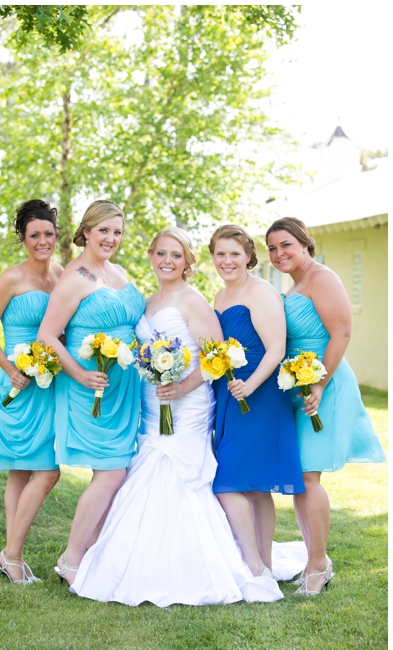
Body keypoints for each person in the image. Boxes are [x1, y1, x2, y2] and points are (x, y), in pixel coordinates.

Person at [71, 227, 283, 605]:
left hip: (189, 404)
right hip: (153, 403)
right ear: (151, 257)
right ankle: (136, 559)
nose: (167, 261)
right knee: (148, 465)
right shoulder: (147, 302)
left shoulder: (193, 300)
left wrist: (182, 387)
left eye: (176, 255)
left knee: (184, 472)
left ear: (187, 262)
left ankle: (219, 565)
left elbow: (215, 357)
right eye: (161, 254)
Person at [267, 216, 385, 595]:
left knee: (307, 476)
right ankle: (316, 559)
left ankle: (318, 565)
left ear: (305, 243)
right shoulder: (295, 284)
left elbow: (342, 333)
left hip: (325, 385)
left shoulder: (322, 278)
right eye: (271, 247)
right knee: (302, 476)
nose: (278, 253)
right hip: (299, 386)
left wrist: (319, 383)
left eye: (285, 244)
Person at [37, 199, 145, 588]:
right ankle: (71, 559)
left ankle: (95, 554)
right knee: (111, 471)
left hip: (125, 387)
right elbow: (47, 335)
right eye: (103, 231)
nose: (111, 238)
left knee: (117, 471)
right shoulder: (76, 277)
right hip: (90, 386)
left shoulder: (119, 272)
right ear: (86, 231)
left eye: (117, 232)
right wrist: (81, 374)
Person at [0, 199, 63, 584]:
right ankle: (12, 555)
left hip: (51, 385)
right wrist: (11, 369)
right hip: (19, 385)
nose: (42, 241)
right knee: (39, 472)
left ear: (56, 237)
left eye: (48, 234)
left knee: (26, 471)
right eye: (34, 235)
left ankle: (12, 556)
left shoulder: (61, 275)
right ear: (23, 239)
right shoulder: (11, 279)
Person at [209, 224, 304, 576]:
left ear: (249, 256)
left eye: (235, 254)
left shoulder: (261, 290)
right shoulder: (219, 297)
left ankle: (258, 564)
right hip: (229, 392)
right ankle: (259, 563)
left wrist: (249, 385)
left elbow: (276, 348)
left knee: (238, 481)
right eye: (220, 254)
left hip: (257, 395)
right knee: (251, 484)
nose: (227, 261)